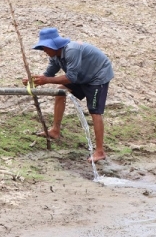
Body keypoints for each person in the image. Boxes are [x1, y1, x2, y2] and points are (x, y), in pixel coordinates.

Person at [23, 27, 114, 162]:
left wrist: (46, 81)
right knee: (60, 91)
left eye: (45, 48)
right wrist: (35, 81)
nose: (44, 51)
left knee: (95, 111)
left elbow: (70, 77)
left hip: (97, 76)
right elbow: (49, 74)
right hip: (81, 76)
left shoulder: (72, 51)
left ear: (53, 45)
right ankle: (55, 130)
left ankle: (100, 151)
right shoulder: (55, 56)